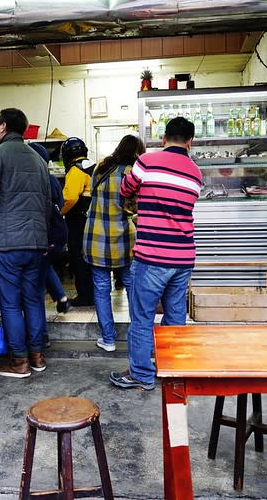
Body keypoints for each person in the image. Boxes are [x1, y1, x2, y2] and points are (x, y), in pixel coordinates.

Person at [110, 117, 203, 391]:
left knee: (142, 317)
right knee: (175, 316)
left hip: (152, 257)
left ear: (163, 138)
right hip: (183, 257)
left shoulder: (147, 161)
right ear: (190, 142)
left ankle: (141, 374)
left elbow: (125, 189)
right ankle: (174, 372)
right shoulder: (195, 172)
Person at [0, 108, 52, 378]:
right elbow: (47, 204)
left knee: (10, 303)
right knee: (33, 300)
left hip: (6, 244)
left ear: (3, 126)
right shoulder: (38, 159)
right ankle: (37, 356)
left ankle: (19, 362)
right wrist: (44, 239)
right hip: (36, 243)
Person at [83, 134, 145, 352]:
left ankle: (108, 339)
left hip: (96, 235)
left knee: (101, 288)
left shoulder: (101, 167)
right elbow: (134, 207)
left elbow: (92, 195)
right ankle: (136, 337)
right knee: (130, 285)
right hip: (123, 238)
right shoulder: (132, 173)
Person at [29, 142, 71, 315]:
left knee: (39, 269)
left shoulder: (35, 180)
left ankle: (58, 299)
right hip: (59, 230)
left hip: (47, 232)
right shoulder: (53, 179)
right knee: (43, 265)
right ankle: (61, 298)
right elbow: (60, 204)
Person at [60, 137, 95, 306]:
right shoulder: (94, 166)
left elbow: (70, 198)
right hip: (93, 220)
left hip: (78, 221)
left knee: (77, 257)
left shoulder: (75, 170)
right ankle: (94, 294)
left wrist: (59, 213)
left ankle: (85, 296)